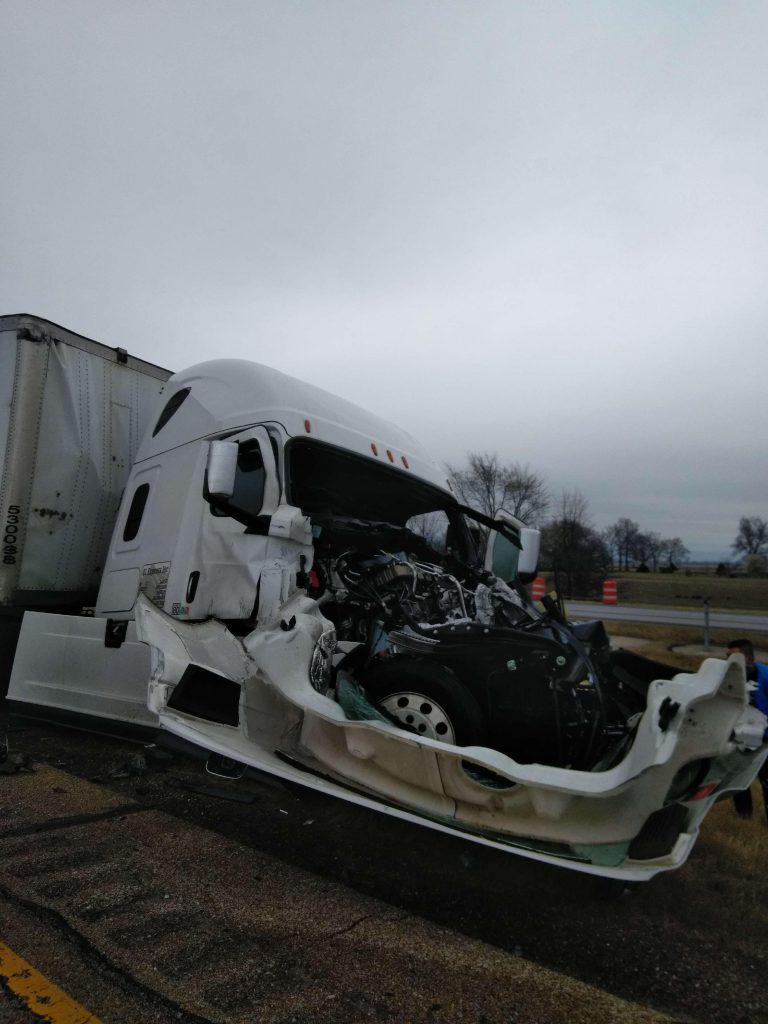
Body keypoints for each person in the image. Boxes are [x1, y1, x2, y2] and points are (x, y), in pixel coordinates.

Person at [726, 638, 768, 821]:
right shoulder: (728, 677)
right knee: (737, 779)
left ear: (749, 659)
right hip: (739, 737)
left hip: (765, 738)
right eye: (727, 656)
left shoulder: (766, 677)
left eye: (734, 656)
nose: (729, 661)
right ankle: (743, 816)